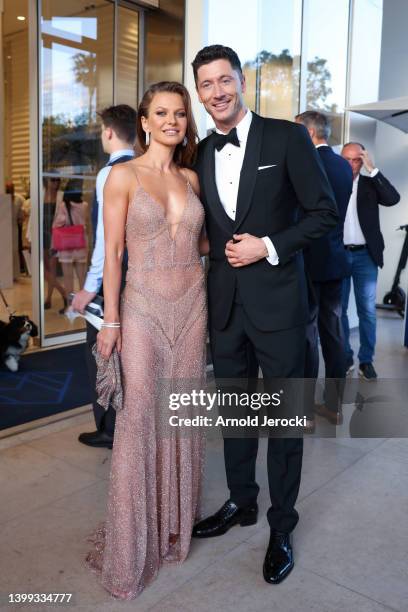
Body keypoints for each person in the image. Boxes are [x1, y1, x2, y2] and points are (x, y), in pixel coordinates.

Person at [191, 45, 338, 585]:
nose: (217, 92)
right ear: (199, 92)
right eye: (206, 84)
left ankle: (281, 525)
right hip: (224, 307)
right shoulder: (202, 153)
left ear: (242, 82)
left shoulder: (286, 137)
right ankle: (241, 502)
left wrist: (269, 245)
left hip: (278, 305)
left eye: (224, 80)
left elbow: (324, 213)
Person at [86, 82, 208, 599]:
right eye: (161, 113)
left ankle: (172, 530)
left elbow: (204, 243)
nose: (172, 121)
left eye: (179, 113)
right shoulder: (122, 176)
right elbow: (113, 254)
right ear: (144, 120)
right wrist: (109, 322)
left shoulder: (191, 176)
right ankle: (134, 544)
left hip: (192, 307)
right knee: (139, 418)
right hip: (141, 311)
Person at [72, 105, 137, 449]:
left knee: (100, 351)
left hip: (113, 275)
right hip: (139, 276)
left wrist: (88, 288)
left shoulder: (109, 173)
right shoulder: (144, 168)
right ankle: (129, 424)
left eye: (101, 131)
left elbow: (106, 240)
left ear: (110, 132)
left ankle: (109, 427)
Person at [295, 111, 353, 428]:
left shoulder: (309, 164)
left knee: (307, 337)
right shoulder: (344, 164)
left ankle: (303, 412)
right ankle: (334, 406)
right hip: (336, 260)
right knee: (334, 334)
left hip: (309, 263)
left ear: (309, 132)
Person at [341, 142, 400, 380]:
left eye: (356, 160)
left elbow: (393, 198)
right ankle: (345, 358)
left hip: (366, 255)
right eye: (346, 159)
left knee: (368, 311)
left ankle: (366, 361)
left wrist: (372, 169)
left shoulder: (369, 184)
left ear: (362, 160)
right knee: (339, 311)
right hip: (339, 255)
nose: (351, 164)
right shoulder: (330, 182)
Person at [53, 179, 88, 299]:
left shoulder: (64, 206)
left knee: (68, 277)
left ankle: (70, 303)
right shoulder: (84, 205)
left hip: (66, 245)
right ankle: (84, 303)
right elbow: (86, 224)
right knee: (82, 277)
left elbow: (58, 223)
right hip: (80, 244)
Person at [42, 175, 67, 313]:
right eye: (53, 180)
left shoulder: (61, 196)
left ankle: (49, 298)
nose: (56, 183)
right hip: (41, 234)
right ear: (47, 181)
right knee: (42, 269)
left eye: (58, 180)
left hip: (55, 235)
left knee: (51, 269)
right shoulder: (40, 194)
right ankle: (63, 292)